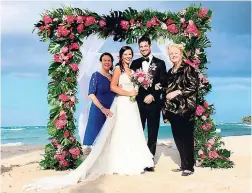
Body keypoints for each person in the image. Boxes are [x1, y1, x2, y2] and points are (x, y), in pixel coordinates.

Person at [23, 46, 154, 191]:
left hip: (132, 105)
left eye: (130, 54)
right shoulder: (118, 69)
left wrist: (138, 89)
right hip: (123, 102)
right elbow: (113, 87)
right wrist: (129, 93)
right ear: (121, 56)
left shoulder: (132, 71)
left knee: (131, 131)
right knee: (120, 132)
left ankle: (134, 160)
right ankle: (118, 161)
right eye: (125, 54)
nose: (128, 56)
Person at [162, 43, 199, 176]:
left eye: (175, 52)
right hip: (173, 110)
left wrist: (178, 92)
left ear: (181, 53)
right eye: (171, 53)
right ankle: (183, 165)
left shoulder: (188, 69)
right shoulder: (170, 71)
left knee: (187, 138)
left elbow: (193, 86)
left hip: (186, 109)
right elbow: (167, 88)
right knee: (177, 138)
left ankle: (189, 167)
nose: (173, 55)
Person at [130, 36, 167, 171]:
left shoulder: (160, 63)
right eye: (141, 47)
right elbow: (131, 81)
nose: (144, 49)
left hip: (154, 104)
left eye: (146, 46)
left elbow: (164, 83)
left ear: (150, 46)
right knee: (138, 131)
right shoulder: (134, 63)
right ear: (139, 48)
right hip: (138, 104)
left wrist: (153, 95)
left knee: (153, 132)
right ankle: (138, 158)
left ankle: (149, 161)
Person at [83, 52, 115, 147]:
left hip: (111, 111)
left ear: (112, 63)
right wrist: (102, 108)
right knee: (93, 140)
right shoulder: (96, 75)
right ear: (101, 62)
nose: (107, 62)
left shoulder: (114, 78)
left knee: (108, 141)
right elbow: (91, 94)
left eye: (109, 60)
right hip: (98, 110)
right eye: (105, 60)